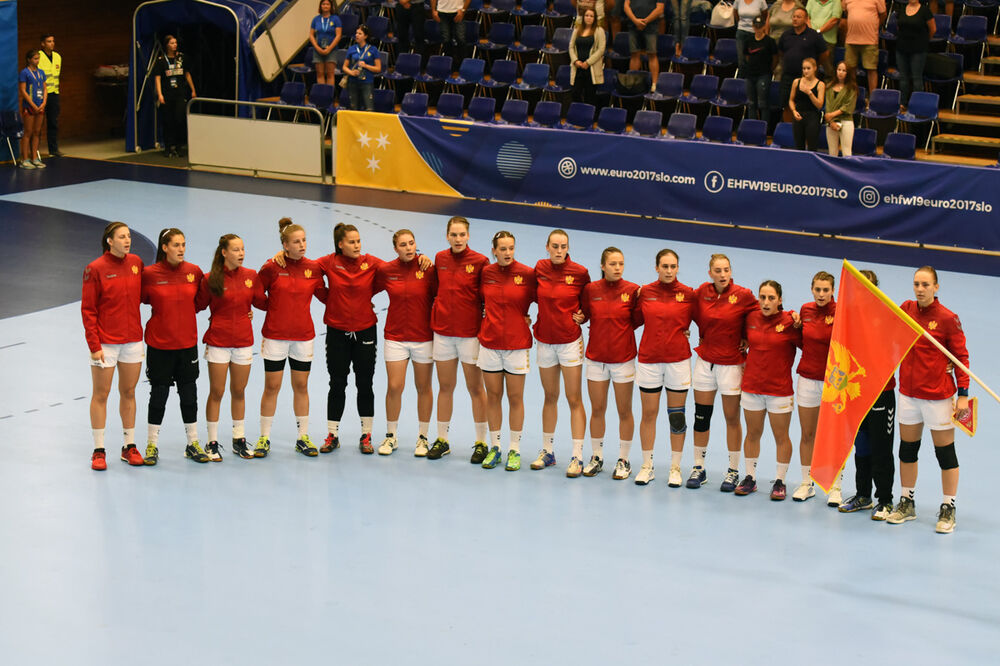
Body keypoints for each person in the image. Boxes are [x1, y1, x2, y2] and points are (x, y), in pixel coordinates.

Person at [310, 224, 430, 454]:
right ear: (340, 244)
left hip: (365, 330)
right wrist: (331, 299)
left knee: (364, 383)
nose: (357, 245)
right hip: (336, 331)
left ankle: (366, 436)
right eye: (352, 242)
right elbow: (306, 269)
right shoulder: (328, 262)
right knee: (337, 383)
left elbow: (398, 266)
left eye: (358, 241)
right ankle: (332, 435)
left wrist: (421, 256)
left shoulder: (371, 262)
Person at [888, 266, 970, 534]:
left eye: (925, 284)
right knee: (907, 451)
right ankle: (907, 502)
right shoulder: (906, 309)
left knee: (945, 453)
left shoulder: (948, 319)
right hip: (909, 395)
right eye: (916, 284)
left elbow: (961, 358)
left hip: (938, 398)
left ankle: (948, 507)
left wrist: (963, 395)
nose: (920, 289)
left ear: (936, 287)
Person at [256, 219, 326, 458]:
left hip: (303, 338)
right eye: (296, 242)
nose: (302, 245)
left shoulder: (314, 268)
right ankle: (264, 438)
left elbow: (325, 296)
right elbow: (256, 293)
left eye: (304, 240)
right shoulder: (271, 267)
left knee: (301, 386)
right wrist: (274, 307)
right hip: (275, 336)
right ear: (285, 245)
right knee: (272, 387)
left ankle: (302, 437)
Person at [690, 254, 758, 492]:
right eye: (717, 270)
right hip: (705, 364)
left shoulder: (744, 295)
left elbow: (761, 315)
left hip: (731, 366)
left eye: (726, 270)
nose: (722, 274)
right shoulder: (701, 292)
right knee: (701, 416)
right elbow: (684, 311)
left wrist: (747, 337)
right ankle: (699, 467)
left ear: (731, 271)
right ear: (710, 273)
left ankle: (733, 471)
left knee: (732, 418)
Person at [197, 235, 267, 461]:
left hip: (243, 343)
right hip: (218, 343)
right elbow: (197, 305)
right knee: (216, 392)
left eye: (243, 249)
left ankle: (239, 439)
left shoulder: (251, 276)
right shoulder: (210, 279)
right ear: (224, 252)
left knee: (239, 391)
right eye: (236, 250)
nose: (241, 253)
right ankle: (212, 442)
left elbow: (262, 302)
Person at [82, 222, 145, 470]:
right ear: (109, 241)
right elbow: (88, 310)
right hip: (105, 344)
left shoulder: (136, 263)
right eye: (121, 237)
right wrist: (94, 344)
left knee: (129, 392)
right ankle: (98, 450)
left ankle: (129, 446)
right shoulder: (95, 269)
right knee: (101, 394)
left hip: (132, 341)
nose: (127, 240)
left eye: (128, 236)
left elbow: (148, 294)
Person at [141, 228, 207, 465]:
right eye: (176, 245)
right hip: (159, 345)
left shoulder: (194, 272)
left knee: (189, 395)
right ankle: (151, 445)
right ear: (165, 247)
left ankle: (192, 443)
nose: (181, 249)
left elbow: (203, 300)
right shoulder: (149, 274)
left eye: (183, 244)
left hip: (187, 344)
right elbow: (139, 298)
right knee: (159, 395)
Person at [633, 249, 697, 486]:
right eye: (665, 266)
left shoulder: (689, 294)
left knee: (677, 416)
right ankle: (647, 466)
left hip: (678, 361)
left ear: (677, 268)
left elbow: (710, 319)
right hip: (649, 361)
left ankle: (675, 468)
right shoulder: (645, 293)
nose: (669, 271)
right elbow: (632, 320)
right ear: (656, 268)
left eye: (673, 267)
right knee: (648, 414)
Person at [530, 230, 591, 476]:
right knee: (550, 396)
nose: (559, 250)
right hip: (545, 341)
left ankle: (577, 456)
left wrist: (584, 315)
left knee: (574, 398)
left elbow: (589, 301)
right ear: (547, 247)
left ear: (568, 248)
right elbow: (528, 294)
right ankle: (548, 451)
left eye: (563, 246)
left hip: (569, 342)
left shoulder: (580, 273)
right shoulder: (539, 268)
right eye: (554, 246)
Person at [429, 217, 490, 462]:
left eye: (462, 234)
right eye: (453, 235)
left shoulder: (480, 261)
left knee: (475, 388)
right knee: (445, 388)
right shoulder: (440, 259)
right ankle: (442, 439)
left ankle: (481, 443)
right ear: (447, 236)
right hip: (443, 334)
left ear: (468, 236)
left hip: (469, 336)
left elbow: (489, 296)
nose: (457, 239)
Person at [837, 270, 897, 519]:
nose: (863, 290)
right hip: (857, 392)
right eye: (859, 286)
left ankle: (885, 500)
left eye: (868, 286)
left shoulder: (888, 316)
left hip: (882, 393)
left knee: (881, 449)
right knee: (861, 446)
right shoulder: (847, 316)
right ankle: (863, 495)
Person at [735, 280, 802, 499]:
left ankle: (780, 481)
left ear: (780, 300)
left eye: (771, 298)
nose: (766, 302)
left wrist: (796, 319)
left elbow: (809, 345)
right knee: (752, 434)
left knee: (781, 436)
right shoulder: (750, 318)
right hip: (752, 387)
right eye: (762, 297)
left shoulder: (790, 322)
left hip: (779, 390)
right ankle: (750, 477)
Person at [477, 231, 538, 472]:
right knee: (493, 397)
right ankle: (495, 447)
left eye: (511, 248)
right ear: (494, 251)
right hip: (490, 345)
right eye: (502, 249)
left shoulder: (527, 274)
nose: (507, 253)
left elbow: (545, 300)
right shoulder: (486, 273)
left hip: (516, 345)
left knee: (515, 398)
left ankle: (514, 449)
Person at [374, 230, 438, 456]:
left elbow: (443, 296)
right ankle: (391, 436)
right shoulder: (386, 270)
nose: (409, 248)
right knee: (394, 387)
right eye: (403, 245)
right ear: (395, 249)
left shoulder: (428, 269)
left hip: (423, 338)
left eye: (411, 243)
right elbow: (365, 290)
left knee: (423, 387)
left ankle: (423, 438)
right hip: (395, 337)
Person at [580, 247, 640, 479]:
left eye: (621, 264)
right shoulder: (591, 289)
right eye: (613, 264)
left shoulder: (633, 291)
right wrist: (579, 318)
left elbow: (638, 320)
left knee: (624, 410)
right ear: (603, 266)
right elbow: (585, 314)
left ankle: (624, 460)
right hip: (596, 359)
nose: (617, 268)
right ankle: (597, 456)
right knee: (597, 409)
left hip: (623, 360)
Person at [791, 271, 837, 502]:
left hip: (834, 382)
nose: (821, 294)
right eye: (817, 289)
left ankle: (835, 487)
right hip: (808, 380)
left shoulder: (841, 313)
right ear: (812, 289)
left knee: (833, 436)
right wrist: (796, 327)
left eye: (825, 290)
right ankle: (806, 483)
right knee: (808, 434)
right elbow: (802, 342)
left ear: (832, 291)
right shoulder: (805, 310)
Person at [777, 7, 828, 117]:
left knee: (806, 106)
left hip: (807, 78)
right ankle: (787, 128)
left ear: (806, 19)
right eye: (794, 17)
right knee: (786, 104)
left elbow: (824, 54)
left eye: (799, 17)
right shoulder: (786, 35)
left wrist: (814, 66)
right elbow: (780, 52)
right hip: (788, 75)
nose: (795, 19)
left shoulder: (814, 35)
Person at [154, 35, 196, 157]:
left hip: (180, 94)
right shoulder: (161, 60)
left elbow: (187, 74)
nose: (174, 45)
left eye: (175, 43)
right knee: (168, 121)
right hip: (167, 94)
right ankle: (168, 147)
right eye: (172, 43)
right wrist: (160, 94)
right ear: (167, 45)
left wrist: (193, 90)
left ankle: (178, 146)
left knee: (179, 119)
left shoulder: (181, 58)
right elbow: (157, 78)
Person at [895, 0, 935, 110]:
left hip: (918, 49)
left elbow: (933, 29)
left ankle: (917, 105)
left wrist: (924, 41)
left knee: (917, 78)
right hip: (901, 48)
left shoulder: (925, 11)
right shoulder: (902, 10)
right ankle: (903, 103)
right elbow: (898, 27)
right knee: (903, 78)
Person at [842, 0, 886, 97]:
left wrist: (874, 26)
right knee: (850, 69)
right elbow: (846, 12)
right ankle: (852, 98)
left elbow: (883, 14)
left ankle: (872, 99)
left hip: (870, 40)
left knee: (871, 69)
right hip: (851, 39)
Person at [743, 16, 778, 121]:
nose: (758, 28)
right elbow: (746, 56)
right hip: (750, 74)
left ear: (764, 27)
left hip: (764, 74)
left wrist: (770, 69)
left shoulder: (770, 41)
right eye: (756, 26)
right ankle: (752, 125)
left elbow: (775, 58)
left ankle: (764, 126)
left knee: (763, 103)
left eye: (760, 26)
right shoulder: (748, 40)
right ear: (753, 26)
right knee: (751, 103)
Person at [570, 8, 607, 106]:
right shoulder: (577, 29)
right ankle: (579, 112)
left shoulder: (599, 31)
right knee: (575, 93)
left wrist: (588, 62)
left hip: (591, 68)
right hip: (578, 67)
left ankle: (589, 114)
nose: (589, 18)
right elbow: (571, 47)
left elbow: (601, 49)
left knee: (590, 96)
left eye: (591, 16)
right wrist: (575, 61)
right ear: (583, 17)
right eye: (587, 15)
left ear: (595, 18)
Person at [624, 0, 664, 90]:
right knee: (634, 54)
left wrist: (645, 21)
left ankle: (654, 84)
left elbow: (660, 9)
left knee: (652, 54)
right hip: (633, 25)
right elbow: (626, 6)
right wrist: (635, 21)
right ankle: (632, 83)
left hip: (651, 26)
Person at [18, 49, 47, 170]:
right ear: (29, 60)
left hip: (40, 106)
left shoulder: (41, 72)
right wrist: (32, 105)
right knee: (28, 132)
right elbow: (23, 90)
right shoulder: (24, 72)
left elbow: (45, 88)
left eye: (38, 58)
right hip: (29, 107)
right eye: (35, 58)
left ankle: (35, 157)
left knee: (37, 132)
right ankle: (25, 159)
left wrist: (44, 102)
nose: (37, 60)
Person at [790, 57, 825, 150]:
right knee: (798, 147)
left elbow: (819, 105)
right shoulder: (796, 82)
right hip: (798, 115)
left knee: (812, 146)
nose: (806, 71)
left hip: (812, 116)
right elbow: (791, 100)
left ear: (815, 68)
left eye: (808, 68)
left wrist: (810, 93)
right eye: (804, 68)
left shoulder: (820, 84)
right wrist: (794, 111)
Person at [343, 26, 381, 111]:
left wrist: (366, 66)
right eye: (356, 33)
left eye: (360, 33)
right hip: (353, 82)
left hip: (367, 82)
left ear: (365, 36)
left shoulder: (373, 49)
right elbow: (344, 67)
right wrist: (351, 72)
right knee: (354, 108)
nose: (357, 35)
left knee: (369, 108)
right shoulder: (351, 49)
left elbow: (378, 68)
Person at [824, 61, 857, 156]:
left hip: (846, 121)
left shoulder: (852, 88)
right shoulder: (829, 87)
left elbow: (848, 106)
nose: (840, 72)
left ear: (848, 73)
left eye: (844, 70)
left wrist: (831, 115)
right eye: (839, 70)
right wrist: (831, 121)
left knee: (846, 152)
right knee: (832, 152)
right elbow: (828, 106)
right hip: (831, 122)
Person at [38, 34, 63, 157]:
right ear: (43, 43)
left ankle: (53, 149)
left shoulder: (57, 57)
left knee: (53, 122)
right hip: (41, 95)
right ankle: (34, 151)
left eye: (53, 41)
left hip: (54, 94)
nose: (52, 43)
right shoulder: (38, 56)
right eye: (49, 41)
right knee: (38, 124)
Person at [309, 0, 343, 86]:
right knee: (320, 73)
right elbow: (311, 35)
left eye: (327, 4)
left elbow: (338, 35)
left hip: (332, 50)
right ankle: (321, 94)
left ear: (331, 6)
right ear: (320, 6)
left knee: (330, 74)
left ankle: (328, 94)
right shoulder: (316, 19)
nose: (325, 6)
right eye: (323, 4)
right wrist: (317, 48)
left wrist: (329, 49)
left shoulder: (336, 19)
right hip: (318, 50)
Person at [735, 0, 769, 73]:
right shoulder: (738, 1)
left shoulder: (761, 1)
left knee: (755, 59)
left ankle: (755, 77)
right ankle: (742, 77)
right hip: (741, 31)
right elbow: (735, 13)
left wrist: (759, 28)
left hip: (756, 32)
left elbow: (765, 15)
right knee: (741, 60)